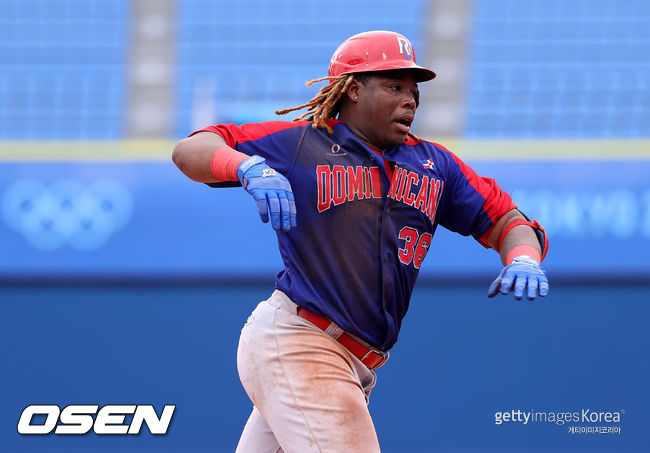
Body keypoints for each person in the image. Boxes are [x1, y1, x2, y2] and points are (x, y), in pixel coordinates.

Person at [172, 30, 549, 453]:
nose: (410, 100)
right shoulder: (303, 143)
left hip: (352, 362)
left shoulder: (434, 164)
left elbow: (506, 220)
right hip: (302, 343)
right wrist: (242, 166)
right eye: (394, 86)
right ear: (353, 89)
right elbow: (191, 150)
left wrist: (523, 257)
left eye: (413, 90)